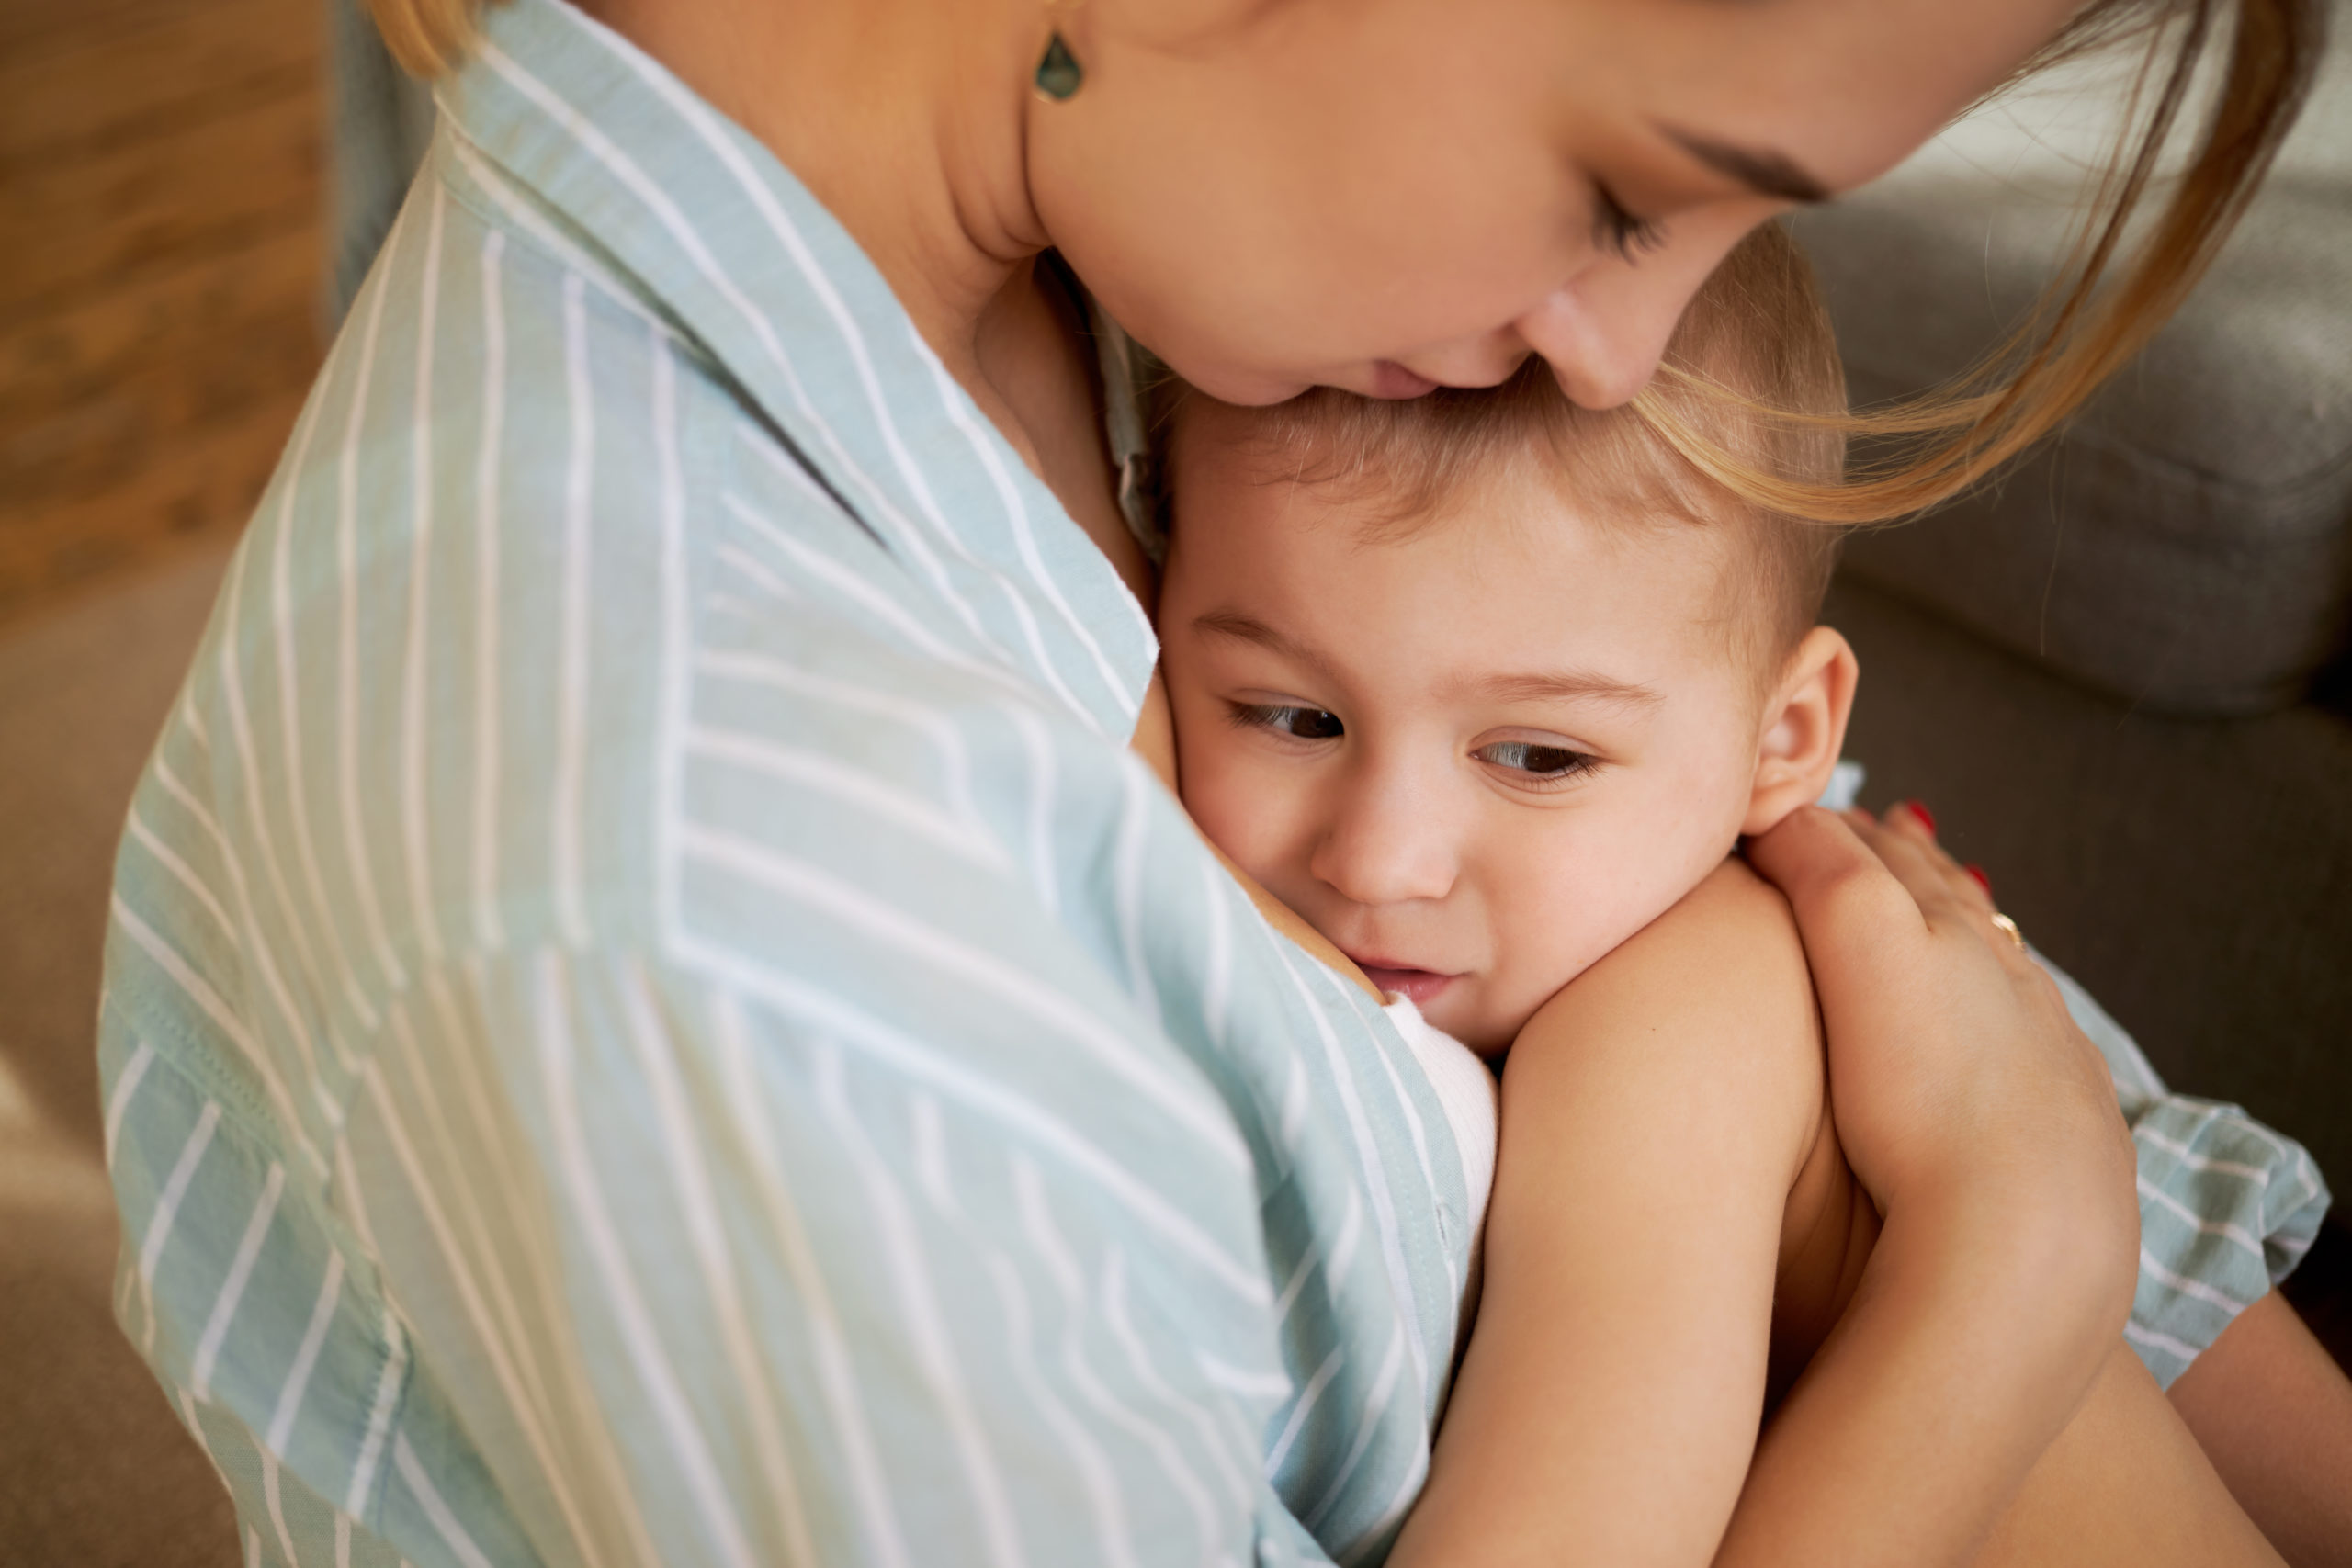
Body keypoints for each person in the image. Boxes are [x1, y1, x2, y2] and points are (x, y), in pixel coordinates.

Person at [95, 0, 2340, 1562]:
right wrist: (2003, 1263)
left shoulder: (1138, 274)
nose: (1611, 354)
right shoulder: (698, 891)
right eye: (1619, 184)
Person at [1147, 222, 2346, 1566]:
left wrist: (2026, 1244)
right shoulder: (1881, 979)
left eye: (1540, 755)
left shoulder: (1689, 1018)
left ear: (1782, 742)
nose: (1378, 861)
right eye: (1290, 716)